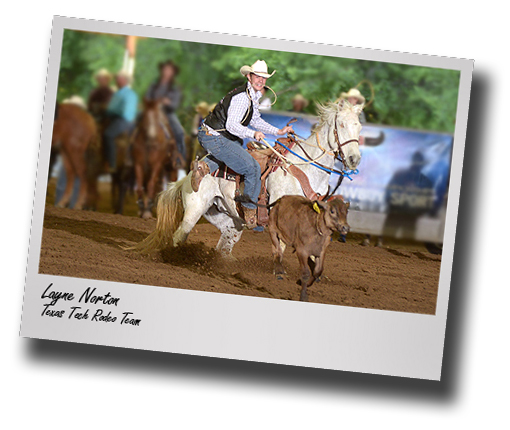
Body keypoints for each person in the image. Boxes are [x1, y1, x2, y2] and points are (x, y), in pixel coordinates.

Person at [192, 60, 294, 229]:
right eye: (258, 77)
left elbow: (254, 120)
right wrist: (252, 133)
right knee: (252, 167)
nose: (261, 81)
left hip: (213, 134)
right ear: (249, 76)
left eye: (264, 78)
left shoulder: (251, 95)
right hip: (215, 136)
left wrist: (278, 131)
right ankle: (249, 210)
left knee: (237, 146)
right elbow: (232, 125)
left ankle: (204, 166)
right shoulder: (241, 98)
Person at [145, 60, 186, 164]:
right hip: (152, 112)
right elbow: (146, 98)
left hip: (167, 113)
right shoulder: (154, 85)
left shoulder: (175, 87)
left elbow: (175, 104)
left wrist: (167, 102)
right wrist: (154, 102)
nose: (167, 71)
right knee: (134, 125)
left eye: (169, 70)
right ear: (162, 70)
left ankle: (179, 159)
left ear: (173, 72)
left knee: (179, 132)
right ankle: (130, 156)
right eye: (165, 69)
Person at [103, 70, 138, 172]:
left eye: (118, 78)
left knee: (108, 134)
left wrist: (108, 110)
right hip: (121, 120)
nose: (116, 80)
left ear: (124, 80)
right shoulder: (124, 93)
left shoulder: (126, 94)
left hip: (123, 120)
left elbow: (124, 111)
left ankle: (111, 163)